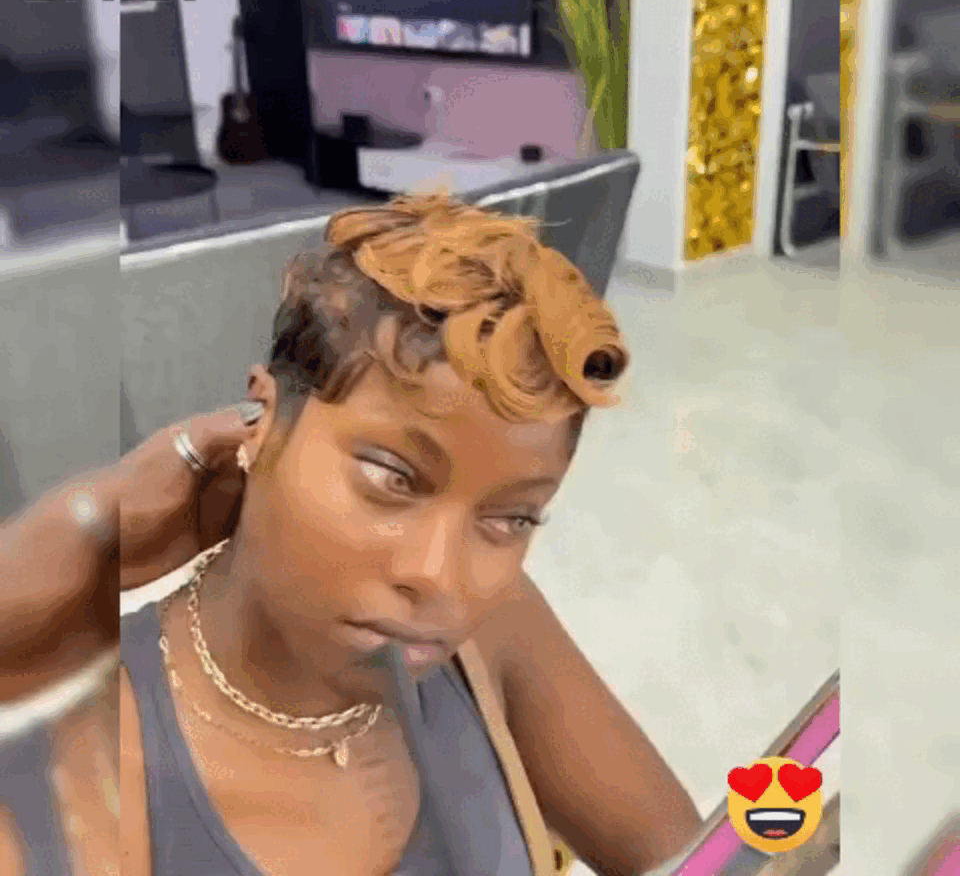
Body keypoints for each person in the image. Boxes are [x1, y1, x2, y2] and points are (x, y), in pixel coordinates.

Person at [5, 192, 703, 875]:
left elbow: (703, 862)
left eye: (511, 518)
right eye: (391, 476)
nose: (438, 576)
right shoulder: (93, 755)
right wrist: (81, 539)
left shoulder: (495, 632)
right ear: (262, 424)